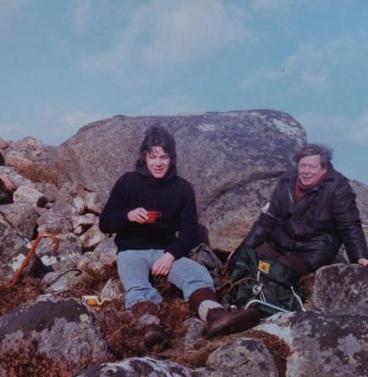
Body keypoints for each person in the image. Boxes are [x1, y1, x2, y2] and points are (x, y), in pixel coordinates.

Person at [99, 125, 259, 348]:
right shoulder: (128, 182)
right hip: (131, 250)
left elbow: (189, 232)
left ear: (171, 158)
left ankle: (215, 316)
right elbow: (105, 221)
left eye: (163, 157)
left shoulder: (182, 188)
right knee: (137, 285)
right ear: (144, 157)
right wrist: (127, 215)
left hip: (165, 251)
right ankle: (150, 328)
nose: (158, 162)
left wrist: (170, 255)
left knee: (197, 274)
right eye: (153, 156)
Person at [242, 143, 368, 275]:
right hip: (281, 244)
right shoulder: (287, 180)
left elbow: (349, 225)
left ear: (324, 168)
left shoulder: (338, 187)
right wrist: (244, 248)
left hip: (313, 251)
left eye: (312, 167)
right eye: (303, 166)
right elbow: (268, 218)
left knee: (277, 271)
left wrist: (360, 256)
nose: (306, 171)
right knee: (244, 261)